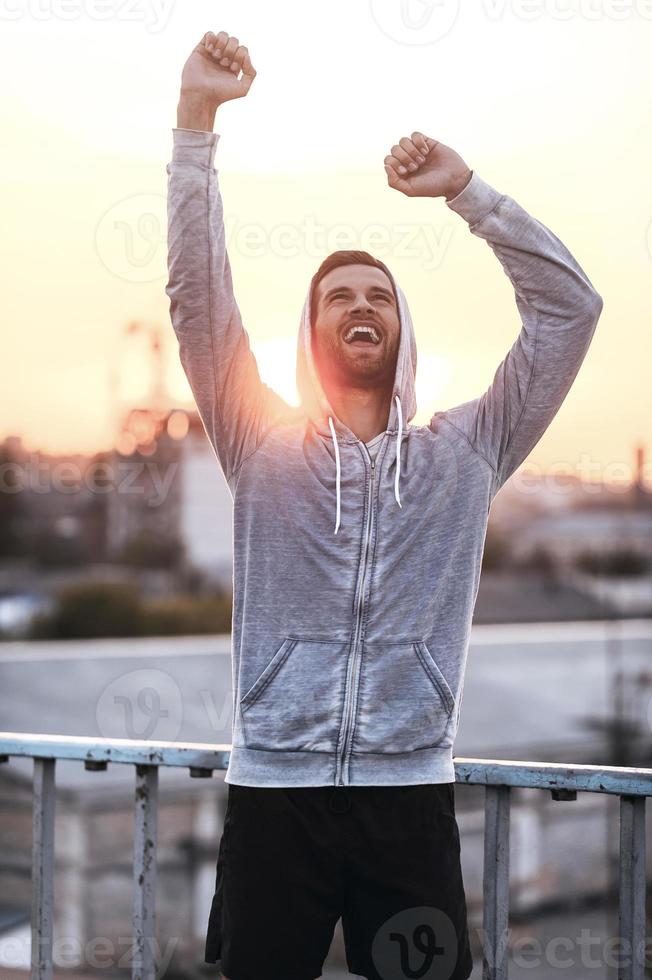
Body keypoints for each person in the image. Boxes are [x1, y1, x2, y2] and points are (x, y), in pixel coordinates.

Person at [165, 30, 603, 980]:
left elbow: (572, 310)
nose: (360, 305)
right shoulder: (259, 443)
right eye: (338, 296)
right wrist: (196, 123)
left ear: (401, 331)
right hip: (273, 800)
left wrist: (467, 193)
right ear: (313, 330)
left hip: (410, 804)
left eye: (380, 295)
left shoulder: (468, 451)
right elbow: (200, 299)